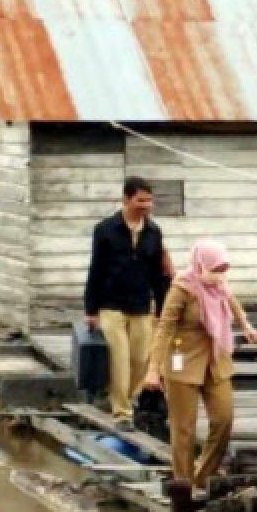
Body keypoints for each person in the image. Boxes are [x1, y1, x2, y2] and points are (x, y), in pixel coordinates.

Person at [144, 239, 257, 512]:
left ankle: (201, 475)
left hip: (215, 360)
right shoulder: (183, 288)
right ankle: (183, 488)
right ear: (201, 264)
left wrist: (246, 325)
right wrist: (153, 369)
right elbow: (164, 328)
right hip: (183, 359)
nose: (219, 274)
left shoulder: (218, 286)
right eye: (215, 268)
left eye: (223, 269)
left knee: (223, 418)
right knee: (183, 428)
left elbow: (232, 302)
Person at [84, 177, 174, 425]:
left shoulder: (153, 232)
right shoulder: (105, 229)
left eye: (149, 200)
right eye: (140, 200)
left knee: (140, 359)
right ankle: (121, 411)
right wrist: (91, 309)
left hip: (141, 304)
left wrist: (162, 304)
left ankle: (132, 399)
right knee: (118, 359)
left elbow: (158, 272)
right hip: (111, 305)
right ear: (126, 199)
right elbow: (96, 269)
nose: (146, 205)